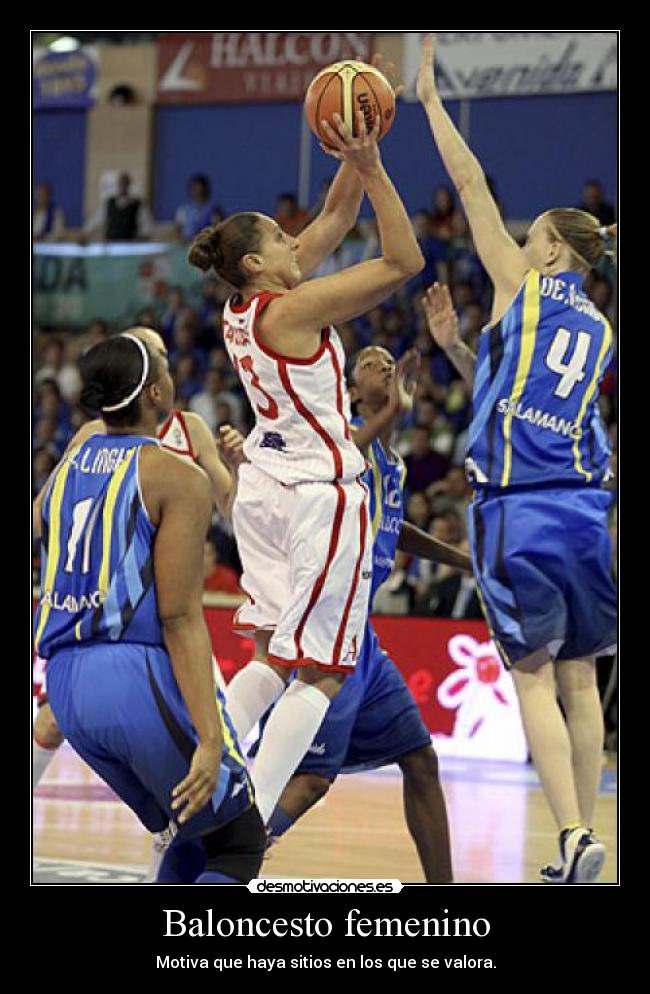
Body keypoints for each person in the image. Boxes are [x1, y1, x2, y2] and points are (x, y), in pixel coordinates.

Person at [417, 34, 617, 883]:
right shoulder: (600, 327)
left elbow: (468, 184)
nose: (520, 238)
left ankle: (568, 835)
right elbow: (519, 391)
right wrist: (462, 350)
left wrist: (429, 96)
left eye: (531, 233)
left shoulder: (523, 282)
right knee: (579, 680)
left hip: (520, 509)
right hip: (587, 513)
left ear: (550, 252)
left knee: (532, 678)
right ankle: (589, 834)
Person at [188, 109, 424, 825]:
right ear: (259, 263)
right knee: (320, 670)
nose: (300, 241)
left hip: (263, 487)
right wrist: (380, 169)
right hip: (314, 495)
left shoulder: (244, 304)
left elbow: (332, 212)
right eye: (283, 239)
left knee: (267, 654)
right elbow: (403, 262)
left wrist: (355, 151)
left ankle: (207, 765)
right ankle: (247, 816)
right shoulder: (295, 308)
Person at [33, 334, 266, 884]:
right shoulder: (177, 476)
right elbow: (179, 617)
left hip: (64, 685)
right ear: (156, 391)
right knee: (239, 842)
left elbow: (43, 523)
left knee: (191, 827)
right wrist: (211, 738)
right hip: (132, 674)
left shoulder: (68, 463)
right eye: (162, 362)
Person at [260, 346, 471, 883]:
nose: (383, 364)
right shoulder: (341, 437)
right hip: (330, 626)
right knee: (309, 781)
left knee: (421, 759)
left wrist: (460, 560)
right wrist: (394, 410)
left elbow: (391, 528)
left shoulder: (392, 464)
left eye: (386, 361)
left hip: (364, 636)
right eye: (371, 363)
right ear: (352, 391)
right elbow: (347, 451)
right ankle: (226, 861)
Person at [175, 175, 223, 243]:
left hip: (204, 245)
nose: (196, 192)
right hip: (185, 245)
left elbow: (217, 229)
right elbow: (178, 230)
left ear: (205, 190)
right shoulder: (183, 209)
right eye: (194, 189)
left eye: (199, 189)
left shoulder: (214, 209)